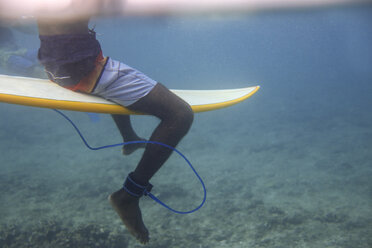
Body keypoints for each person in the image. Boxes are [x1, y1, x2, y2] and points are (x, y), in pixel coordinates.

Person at [37, 17, 194, 244]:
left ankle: (129, 138)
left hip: (55, 69)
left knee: (117, 78)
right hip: (83, 72)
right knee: (180, 115)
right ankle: (129, 195)